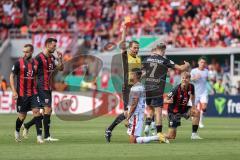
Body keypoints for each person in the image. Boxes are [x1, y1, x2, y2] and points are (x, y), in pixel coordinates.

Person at [105, 22, 141, 143]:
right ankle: (109, 129)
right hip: (127, 87)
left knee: (131, 112)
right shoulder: (126, 56)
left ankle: (132, 130)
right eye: (134, 47)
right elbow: (123, 44)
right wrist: (124, 31)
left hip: (136, 88)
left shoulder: (138, 59)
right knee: (127, 112)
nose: (136, 49)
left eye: (137, 48)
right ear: (130, 48)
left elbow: (139, 74)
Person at [143, 43, 190, 136]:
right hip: (157, 88)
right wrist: (187, 64)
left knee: (150, 109)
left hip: (147, 88)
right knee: (158, 112)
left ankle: (147, 127)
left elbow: (141, 73)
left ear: (156, 49)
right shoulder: (165, 60)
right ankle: (159, 134)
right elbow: (181, 68)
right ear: (164, 50)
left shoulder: (146, 59)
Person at [22, 38, 64, 141]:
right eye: (53, 46)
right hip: (40, 87)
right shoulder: (39, 58)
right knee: (48, 110)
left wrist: (60, 59)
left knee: (46, 112)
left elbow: (61, 68)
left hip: (48, 87)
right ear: (48, 45)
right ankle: (47, 136)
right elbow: (32, 73)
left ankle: (27, 125)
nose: (55, 48)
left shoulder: (52, 57)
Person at [10, 44, 43, 143]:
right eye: (23, 52)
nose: (25, 54)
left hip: (33, 93)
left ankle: (39, 137)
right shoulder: (18, 63)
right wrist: (14, 91)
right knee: (22, 116)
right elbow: (11, 76)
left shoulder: (36, 63)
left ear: (32, 52)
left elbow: (38, 77)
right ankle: (17, 131)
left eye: (27, 52)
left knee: (37, 112)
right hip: (21, 94)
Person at [126, 68, 169, 144]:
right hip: (137, 115)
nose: (130, 75)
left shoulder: (137, 87)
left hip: (135, 115)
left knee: (133, 140)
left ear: (136, 76)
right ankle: (156, 137)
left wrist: (128, 117)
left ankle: (157, 137)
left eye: (132, 74)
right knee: (133, 139)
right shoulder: (139, 86)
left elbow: (134, 104)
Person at [164, 71, 202, 140]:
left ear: (189, 79)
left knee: (197, 112)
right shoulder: (176, 89)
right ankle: (157, 136)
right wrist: (168, 101)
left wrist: (193, 105)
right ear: (181, 79)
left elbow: (193, 95)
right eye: (183, 78)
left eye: (186, 78)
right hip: (174, 112)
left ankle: (194, 135)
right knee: (171, 136)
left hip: (184, 109)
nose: (184, 79)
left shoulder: (191, 86)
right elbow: (165, 99)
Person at [190, 56, 208, 128]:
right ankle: (195, 119)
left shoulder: (206, 71)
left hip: (204, 92)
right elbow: (189, 79)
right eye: (201, 62)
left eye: (204, 62)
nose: (202, 64)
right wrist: (195, 78)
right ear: (198, 63)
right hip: (195, 93)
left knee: (204, 107)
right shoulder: (194, 71)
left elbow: (207, 79)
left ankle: (200, 122)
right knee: (193, 109)